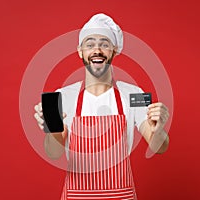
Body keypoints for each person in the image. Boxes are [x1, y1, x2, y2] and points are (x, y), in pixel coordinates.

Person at [34, 13, 169, 200]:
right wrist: (52, 129)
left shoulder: (134, 94)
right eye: (89, 44)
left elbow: (160, 147)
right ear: (80, 51)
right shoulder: (63, 96)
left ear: (114, 50)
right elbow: (54, 153)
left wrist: (159, 130)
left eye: (104, 44)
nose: (97, 49)